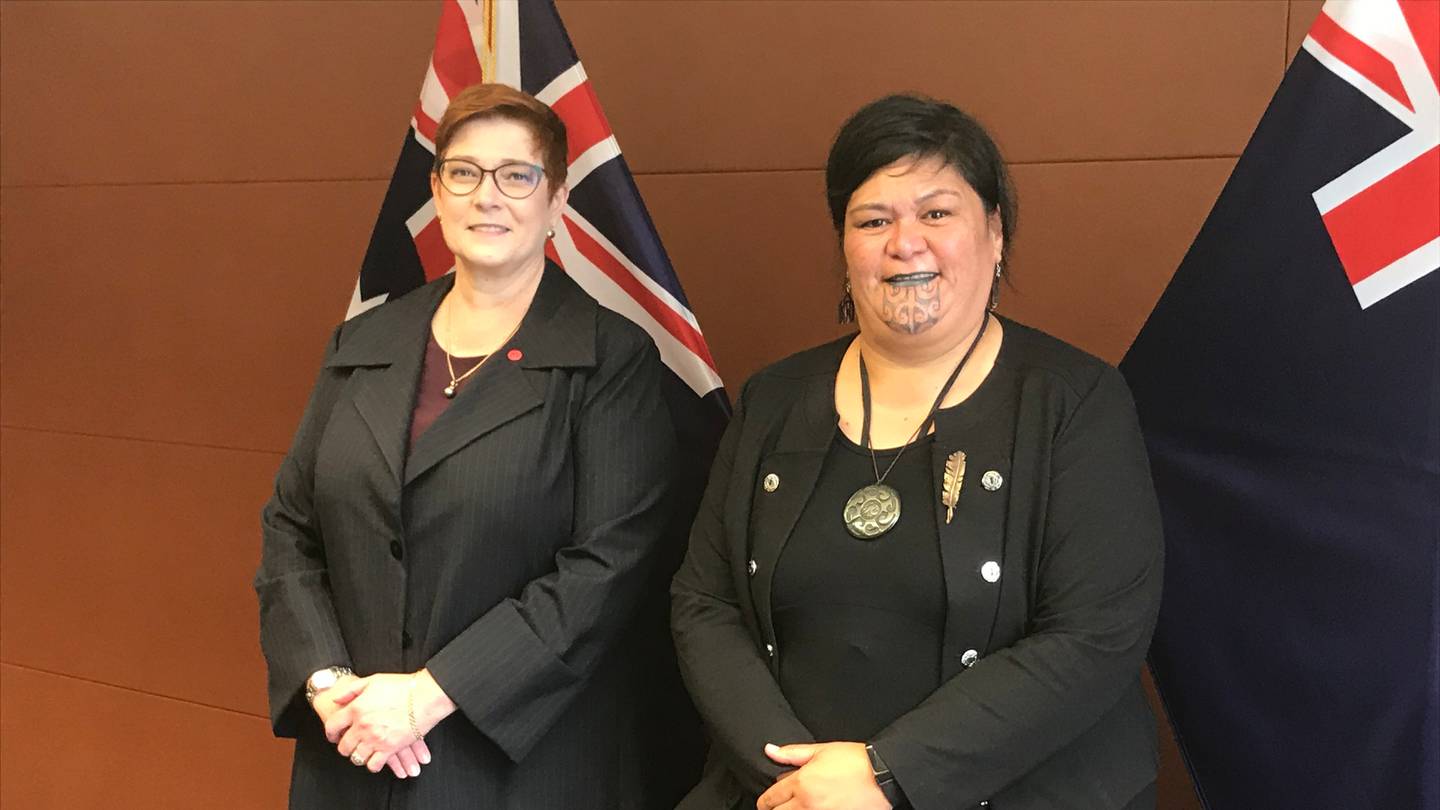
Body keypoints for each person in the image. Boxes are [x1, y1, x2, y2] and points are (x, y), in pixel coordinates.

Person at [671, 94, 1164, 810]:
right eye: (873, 220)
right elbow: (703, 601)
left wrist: (888, 775)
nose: (905, 242)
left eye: (937, 213)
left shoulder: (1076, 401)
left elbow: (1095, 635)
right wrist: (797, 783)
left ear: (995, 233)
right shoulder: (775, 400)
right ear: (845, 250)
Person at [256, 82, 689, 809]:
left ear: (556, 201)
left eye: (517, 175)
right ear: (437, 190)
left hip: (521, 765)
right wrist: (326, 682)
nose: (487, 195)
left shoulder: (611, 359)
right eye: (464, 172)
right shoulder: (363, 343)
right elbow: (290, 529)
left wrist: (432, 695)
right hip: (354, 752)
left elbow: (608, 567)